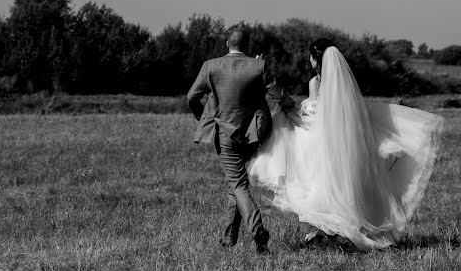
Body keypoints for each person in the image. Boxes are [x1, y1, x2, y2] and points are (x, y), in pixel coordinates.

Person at [248, 38, 444, 251]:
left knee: (313, 179)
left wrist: (293, 113)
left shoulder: (316, 83)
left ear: (317, 59)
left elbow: (313, 116)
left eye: (311, 57)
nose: (309, 60)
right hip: (342, 143)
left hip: (322, 143)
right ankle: (338, 230)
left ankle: (324, 231)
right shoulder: (345, 83)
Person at [187, 26, 290, 254]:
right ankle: (228, 238)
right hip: (253, 133)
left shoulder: (210, 66)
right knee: (236, 182)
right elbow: (279, 94)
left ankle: (257, 230)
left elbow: (191, 96)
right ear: (247, 45)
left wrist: (202, 114)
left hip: (224, 134)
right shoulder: (258, 66)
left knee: (238, 184)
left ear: (227, 44)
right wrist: (294, 108)